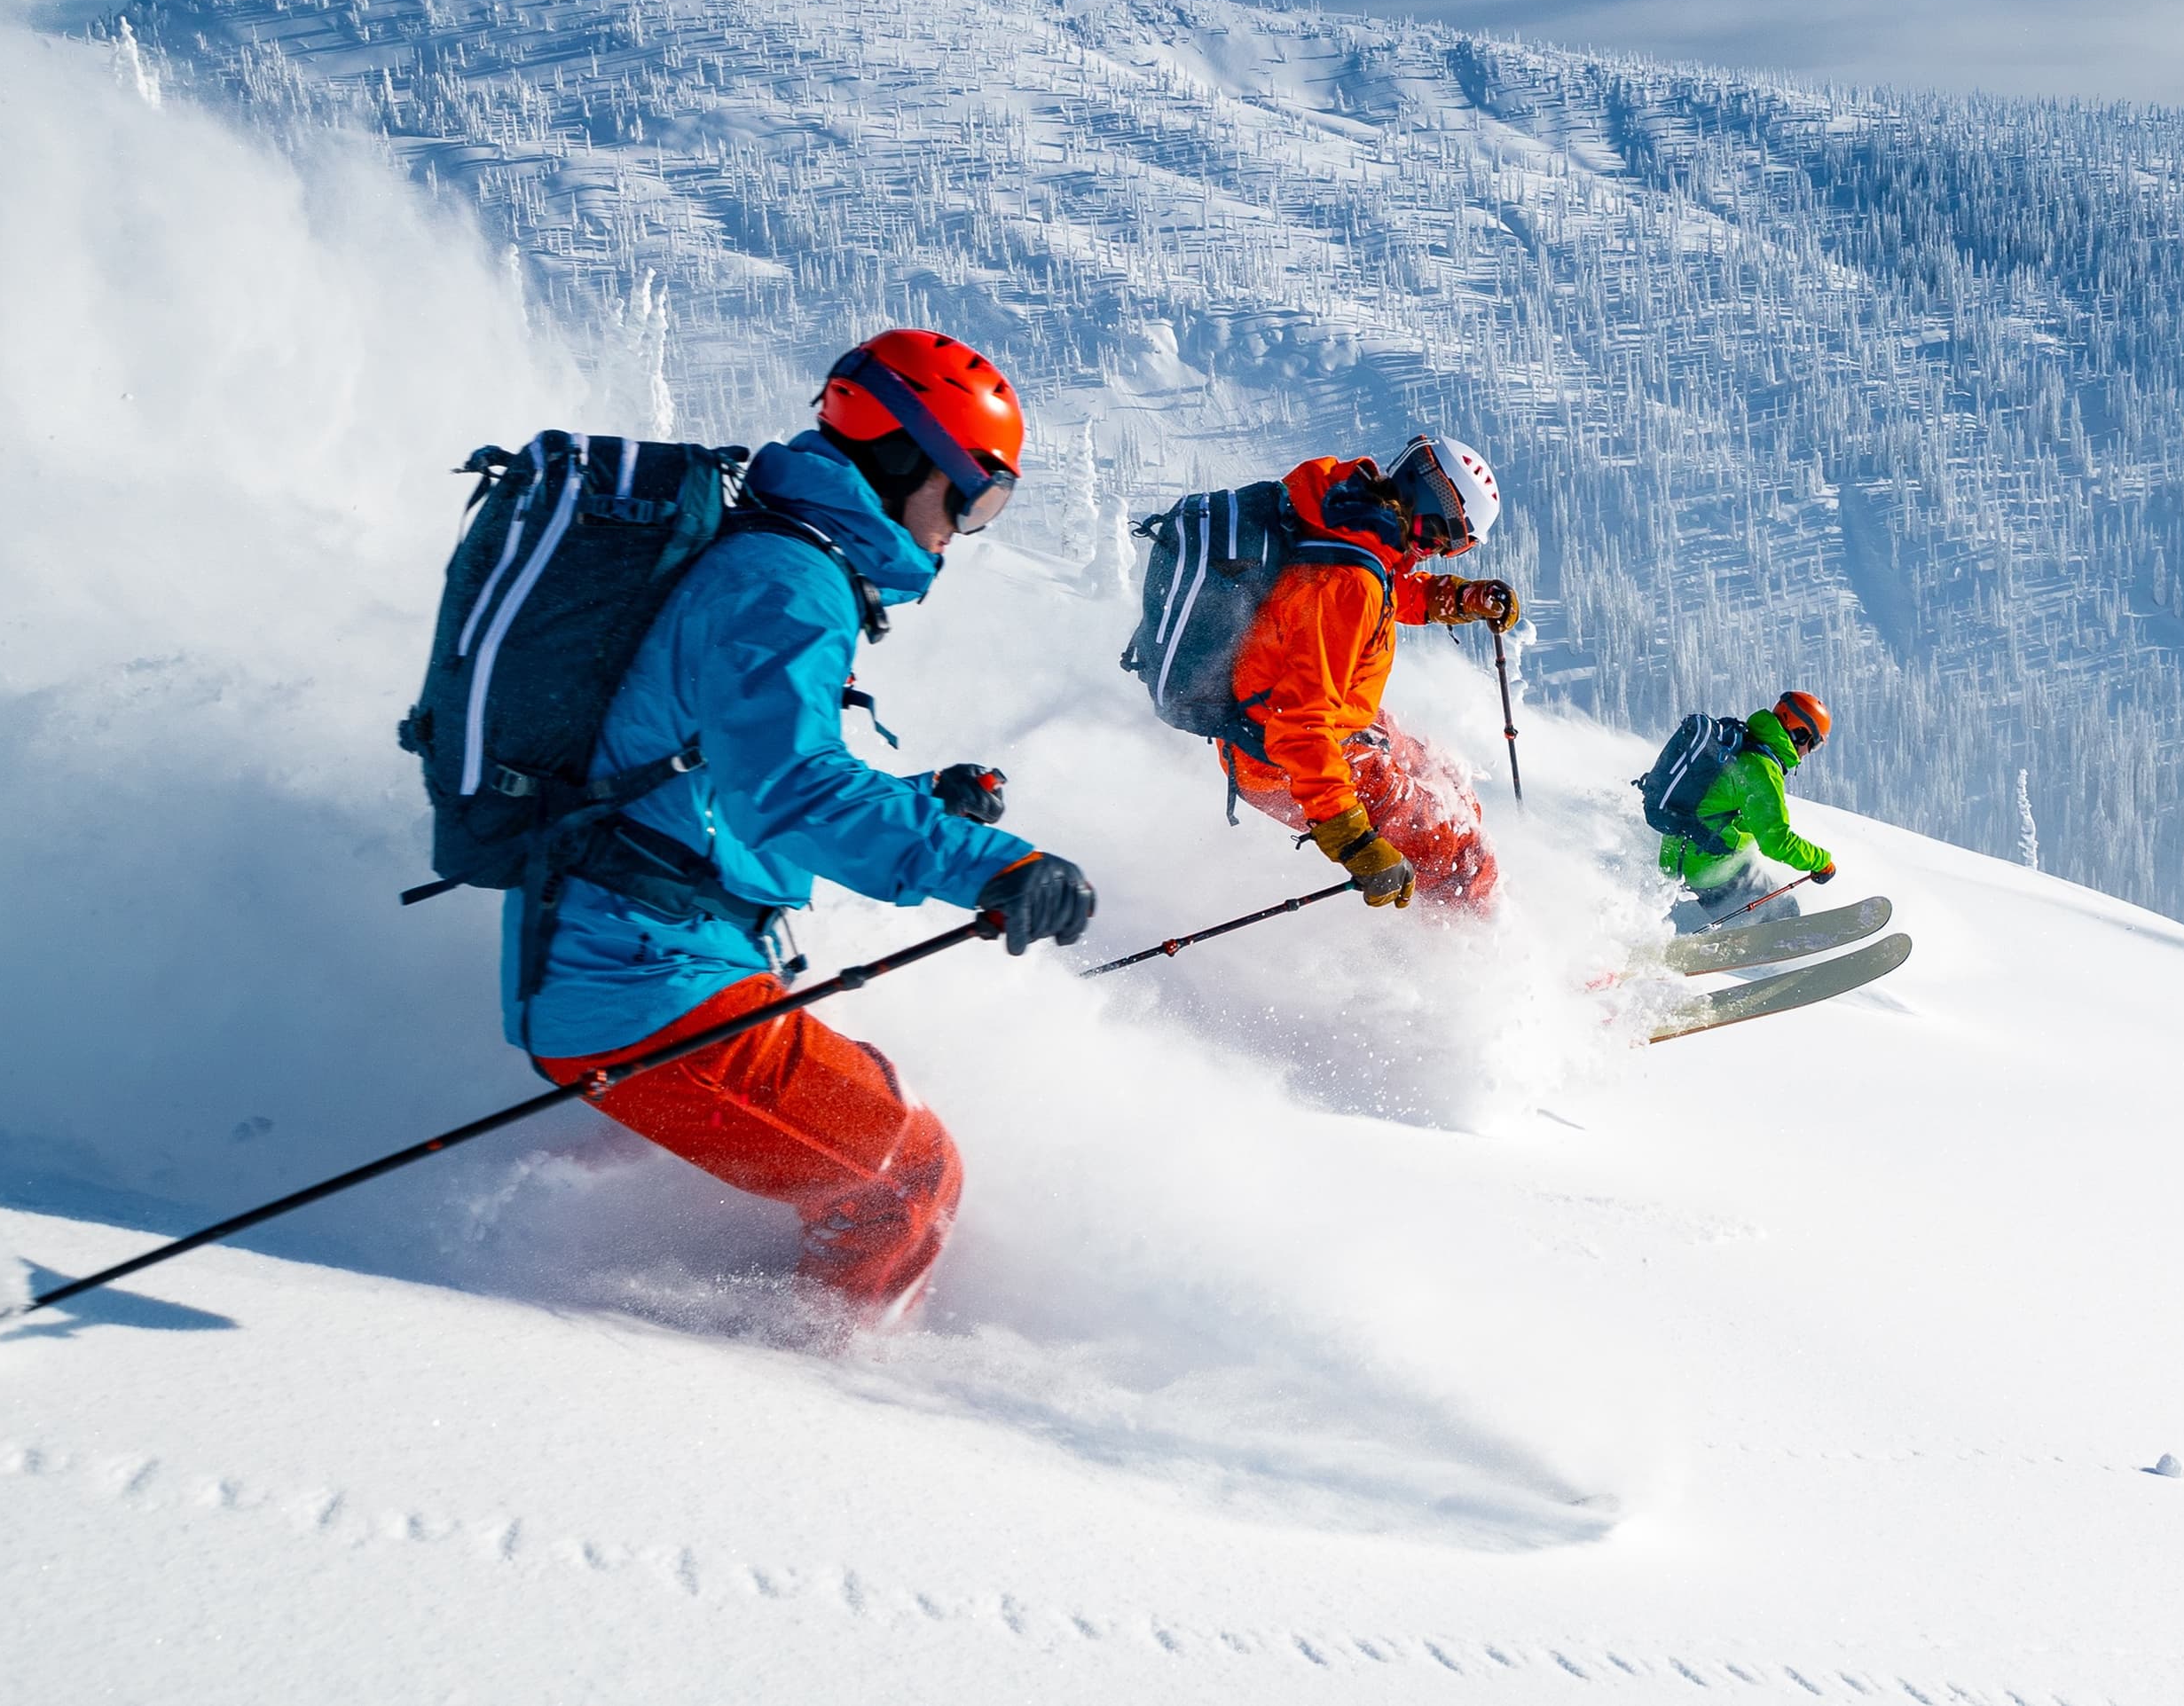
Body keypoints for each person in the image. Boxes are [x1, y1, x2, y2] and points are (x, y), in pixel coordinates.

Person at [509, 330, 1097, 1333]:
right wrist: (993, 865)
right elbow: (786, 788)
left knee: (876, 1117)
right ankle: (815, 1386)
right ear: (907, 460)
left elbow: (720, 781)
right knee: (907, 1175)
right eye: (975, 499)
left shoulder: (781, 558)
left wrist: (923, 801)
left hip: (640, 957)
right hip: (644, 980)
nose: (965, 531)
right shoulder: (785, 582)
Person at [1219, 435, 1520, 911]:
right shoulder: (1345, 582)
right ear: (1433, 513)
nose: (1436, 552)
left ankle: (1463, 895)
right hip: (1284, 757)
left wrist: (1460, 597)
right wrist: (1352, 838)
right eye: (1446, 540)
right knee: (1458, 856)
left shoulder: (1345, 517)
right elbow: (1299, 727)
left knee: (1443, 775)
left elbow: (1386, 589)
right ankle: (1479, 935)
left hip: (1326, 721)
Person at [1659, 691, 1839, 912]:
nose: (1809, 753)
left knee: (1759, 876)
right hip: (1704, 869)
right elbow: (1776, 842)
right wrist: (1822, 862)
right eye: (1814, 744)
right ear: (1799, 734)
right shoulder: (1760, 767)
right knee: (1785, 910)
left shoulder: (1741, 744)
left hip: (1675, 858)